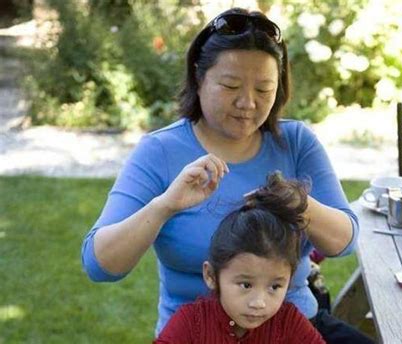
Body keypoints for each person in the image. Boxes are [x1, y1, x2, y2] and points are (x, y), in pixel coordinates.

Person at [81, 7, 373, 344]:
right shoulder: (160, 152)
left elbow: (344, 242)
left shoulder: (295, 143)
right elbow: (99, 265)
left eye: (264, 89)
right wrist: (165, 206)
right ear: (198, 78)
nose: (248, 103)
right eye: (231, 85)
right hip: (196, 335)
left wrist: (302, 206)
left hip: (293, 329)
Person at [154, 172, 326, 343]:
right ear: (211, 275)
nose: (259, 303)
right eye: (246, 285)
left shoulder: (288, 323)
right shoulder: (192, 324)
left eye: (275, 287)